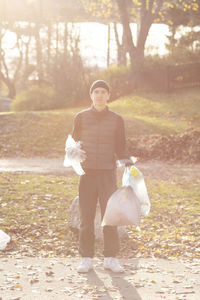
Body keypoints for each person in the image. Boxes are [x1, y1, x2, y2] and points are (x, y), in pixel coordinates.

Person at [72, 80, 131, 273]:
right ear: (91, 95)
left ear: (108, 96)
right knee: (86, 216)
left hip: (107, 173)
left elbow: (121, 147)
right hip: (87, 173)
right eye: (96, 92)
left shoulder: (117, 119)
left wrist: (128, 162)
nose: (99, 95)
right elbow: (73, 143)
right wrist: (72, 153)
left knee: (110, 216)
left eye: (103, 92)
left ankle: (110, 258)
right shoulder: (80, 117)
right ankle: (86, 258)